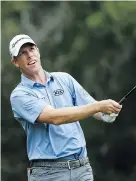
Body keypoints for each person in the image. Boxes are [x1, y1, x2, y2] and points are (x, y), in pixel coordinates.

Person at [9, 34, 122, 181]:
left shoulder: (64, 79)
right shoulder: (19, 95)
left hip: (82, 168)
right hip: (48, 173)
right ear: (15, 62)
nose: (30, 55)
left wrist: (108, 113)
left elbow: (91, 106)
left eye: (31, 49)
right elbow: (55, 117)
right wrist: (98, 106)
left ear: (38, 51)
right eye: (23, 53)